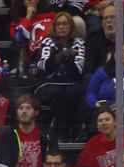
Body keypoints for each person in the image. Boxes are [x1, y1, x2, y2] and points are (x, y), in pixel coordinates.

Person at [34, 11, 87, 143]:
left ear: (71, 26)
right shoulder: (47, 41)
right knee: (57, 92)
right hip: (49, 83)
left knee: (76, 92)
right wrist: (65, 55)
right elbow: (44, 66)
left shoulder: (78, 43)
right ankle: (60, 132)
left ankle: (74, 131)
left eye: (65, 24)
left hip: (71, 83)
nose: (61, 27)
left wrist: (58, 59)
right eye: (58, 24)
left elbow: (77, 70)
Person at [0, 94, 55, 167]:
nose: (24, 111)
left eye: (28, 108)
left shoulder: (46, 135)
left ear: (36, 112)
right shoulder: (7, 134)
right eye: (21, 108)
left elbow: (55, 160)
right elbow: (3, 163)